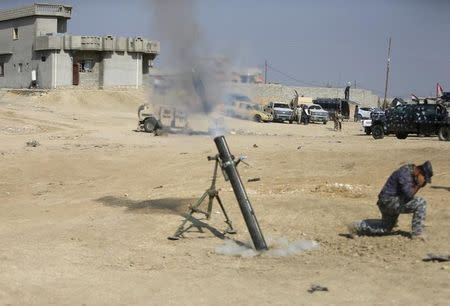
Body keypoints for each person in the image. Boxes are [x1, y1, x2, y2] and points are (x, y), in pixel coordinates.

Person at [349, 161, 433, 240]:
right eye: (424, 178)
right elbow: (408, 195)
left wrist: (419, 184)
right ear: (419, 171)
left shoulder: (410, 173)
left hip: (389, 202)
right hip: (387, 202)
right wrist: (418, 185)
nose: (424, 181)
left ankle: (356, 226)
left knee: (385, 227)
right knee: (421, 202)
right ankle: (417, 233)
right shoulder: (405, 173)